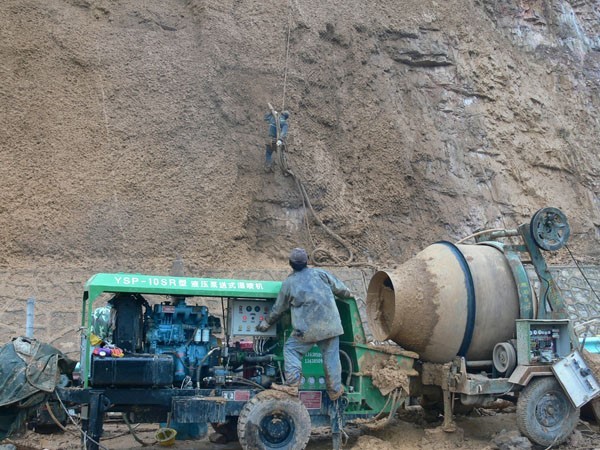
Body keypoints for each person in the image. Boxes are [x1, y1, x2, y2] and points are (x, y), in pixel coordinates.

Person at [256, 247, 352, 400]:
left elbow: (278, 309)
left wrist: (265, 324)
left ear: (290, 264)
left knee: (291, 349)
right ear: (307, 260)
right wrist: (348, 294)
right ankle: (334, 390)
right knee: (331, 357)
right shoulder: (321, 274)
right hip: (331, 326)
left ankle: (293, 385)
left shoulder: (289, 283)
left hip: (307, 330)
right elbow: (342, 290)